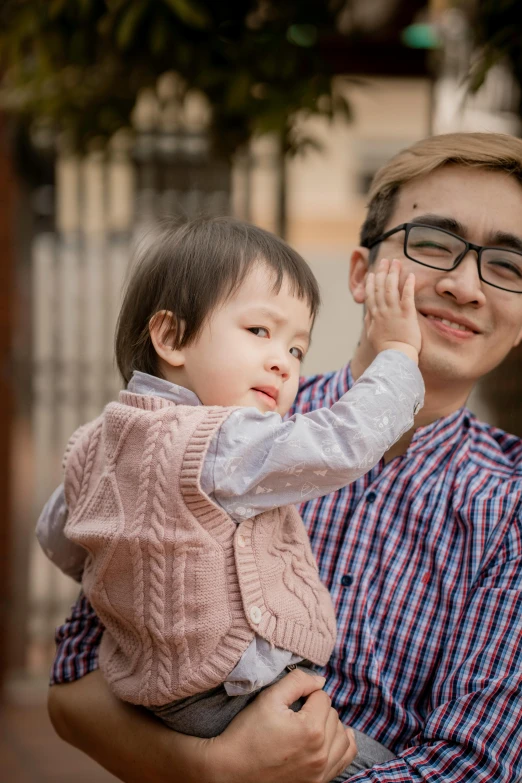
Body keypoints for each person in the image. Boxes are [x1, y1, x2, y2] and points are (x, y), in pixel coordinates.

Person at [45, 132, 522, 783]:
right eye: (434, 244)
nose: (466, 284)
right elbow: (73, 680)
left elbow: (478, 767)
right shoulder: (217, 429)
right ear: (360, 273)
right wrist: (214, 766)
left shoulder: (511, 507)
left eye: (507, 266)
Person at [37, 217, 423, 764]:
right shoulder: (221, 439)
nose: (282, 363)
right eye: (260, 332)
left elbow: (58, 537)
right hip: (232, 691)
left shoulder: (96, 440)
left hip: (155, 691)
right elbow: (342, 443)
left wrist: (135, 571)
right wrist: (402, 353)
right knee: (369, 764)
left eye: (296, 350)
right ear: (170, 337)